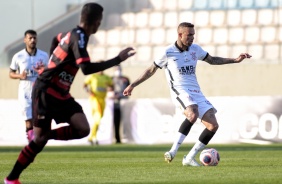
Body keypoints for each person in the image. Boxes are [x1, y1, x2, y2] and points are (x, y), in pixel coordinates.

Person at [4, 3, 135, 184]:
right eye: (100, 21)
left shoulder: (70, 34)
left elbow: (55, 40)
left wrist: (51, 62)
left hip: (61, 92)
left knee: (82, 129)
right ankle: (12, 178)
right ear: (96, 22)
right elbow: (87, 68)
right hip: (45, 91)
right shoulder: (78, 37)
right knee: (39, 142)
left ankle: (45, 136)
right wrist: (117, 59)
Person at [123, 22, 251, 167]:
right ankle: (172, 151)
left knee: (213, 126)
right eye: (189, 35)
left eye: (193, 35)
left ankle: (189, 158)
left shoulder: (195, 49)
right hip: (180, 90)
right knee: (192, 113)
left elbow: (212, 60)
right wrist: (133, 84)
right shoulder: (168, 52)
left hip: (196, 92)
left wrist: (235, 60)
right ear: (180, 35)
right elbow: (150, 70)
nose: (192, 38)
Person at [9, 29, 49, 143]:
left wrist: (44, 71)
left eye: (34, 38)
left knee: (40, 117)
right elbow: (11, 73)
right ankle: (31, 141)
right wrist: (19, 75)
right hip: (25, 89)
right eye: (30, 38)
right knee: (28, 117)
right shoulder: (18, 56)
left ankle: (38, 138)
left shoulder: (44, 55)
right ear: (25, 40)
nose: (32, 40)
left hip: (39, 89)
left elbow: (50, 70)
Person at [83, 66, 113, 145]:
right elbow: (85, 85)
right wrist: (89, 92)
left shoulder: (107, 77)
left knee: (98, 119)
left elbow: (112, 86)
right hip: (94, 99)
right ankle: (94, 137)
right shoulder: (92, 76)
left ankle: (90, 138)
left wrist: (110, 88)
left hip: (102, 100)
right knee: (98, 117)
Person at [112, 65, 130, 143]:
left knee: (125, 121)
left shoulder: (125, 79)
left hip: (123, 103)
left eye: (119, 69)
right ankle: (116, 138)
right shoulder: (111, 79)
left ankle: (125, 138)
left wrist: (119, 95)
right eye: (116, 69)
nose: (118, 70)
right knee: (115, 121)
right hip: (114, 104)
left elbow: (128, 91)